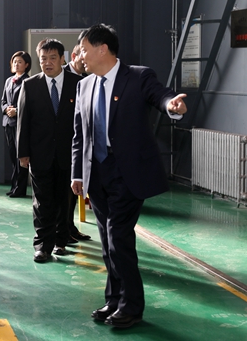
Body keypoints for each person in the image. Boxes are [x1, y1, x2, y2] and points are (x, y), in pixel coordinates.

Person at [71, 24, 187, 328]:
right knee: (107, 240)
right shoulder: (84, 85)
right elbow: (79, 136)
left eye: (83, 49)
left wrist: (172, 105)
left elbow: (161, 96)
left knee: (118, 238)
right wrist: (77, 174)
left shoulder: (138, 76)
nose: (80, 56)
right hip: (96, 174)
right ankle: (114, 300)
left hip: (128, 173)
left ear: (102, 49)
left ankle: (131, 306)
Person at [17, 39, 81, 261]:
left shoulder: (78, 84)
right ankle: (43, 245)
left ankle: (61, 241)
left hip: (69, 154)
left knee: (65, 200)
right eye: (43, 58)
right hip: (40, 153)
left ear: (63, 59)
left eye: (53, 58)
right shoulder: (30, 85)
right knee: (42, 202)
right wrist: (23, 153)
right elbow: (23, 121)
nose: (47, 63)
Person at [62, 42, 91, 244]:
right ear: (74, 56)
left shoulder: (87, 79)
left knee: (73, 191)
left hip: (79, 144)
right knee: (63, 192)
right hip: (63, 143)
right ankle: (62, 231)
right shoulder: (61, 76)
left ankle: (69, 227)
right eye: (84, 54)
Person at [1, 51, 31, 198]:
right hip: (8, 123)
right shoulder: (9, 81)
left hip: (20, 124)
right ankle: (14, 186)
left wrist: (17, 111)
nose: (16, 64)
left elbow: (30, 104)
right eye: (14, 62)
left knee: (21, 157)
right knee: (13, 156)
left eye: (19, 62)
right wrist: (6, 109)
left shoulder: (28, 81)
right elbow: (3, 101)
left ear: (26, 65)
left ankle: (20, 189)